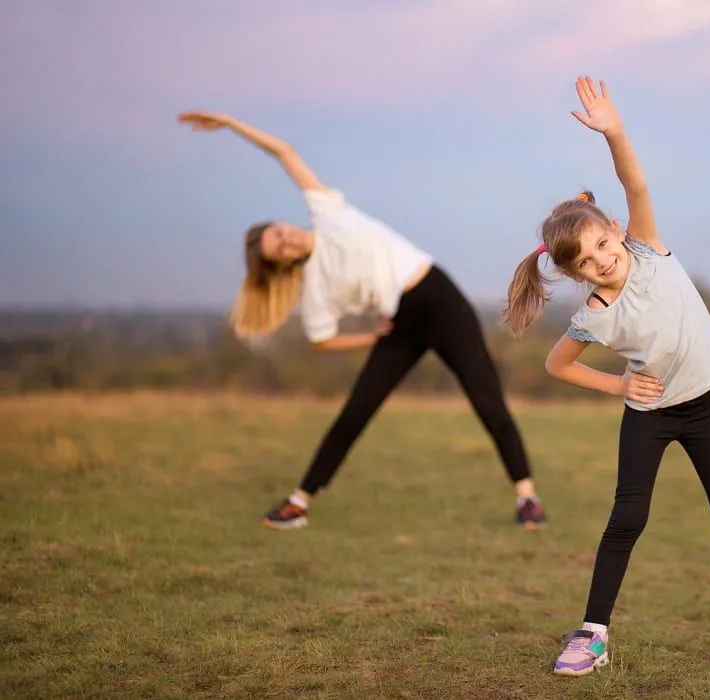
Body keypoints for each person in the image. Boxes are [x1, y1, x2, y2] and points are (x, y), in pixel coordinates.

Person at [504, 76, 710, 676]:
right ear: (574, 274)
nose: (601, 260)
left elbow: (634, 182)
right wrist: (618, 386)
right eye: (586, 263)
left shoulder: (646, 247)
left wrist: (614, 131)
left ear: (614, 229)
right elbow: (557, 365)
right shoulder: (594, 313)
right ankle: (591, 634)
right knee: (627, 519)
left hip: (707, 410)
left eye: (601, 244)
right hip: (649, 415)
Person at [176, 111, 546, 531]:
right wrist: (370, 338)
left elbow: (284, 151)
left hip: (440, 300)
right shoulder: (314, 288)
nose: (285, 241)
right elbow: (321, 339)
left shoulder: (326, 211)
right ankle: (299, 502)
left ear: (283, 224)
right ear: (280, 263)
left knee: (487, 401)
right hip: (397, 325)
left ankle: (528, 500)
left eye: (279, 233)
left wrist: (230, 123)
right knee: (355, 413)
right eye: (277, 249)